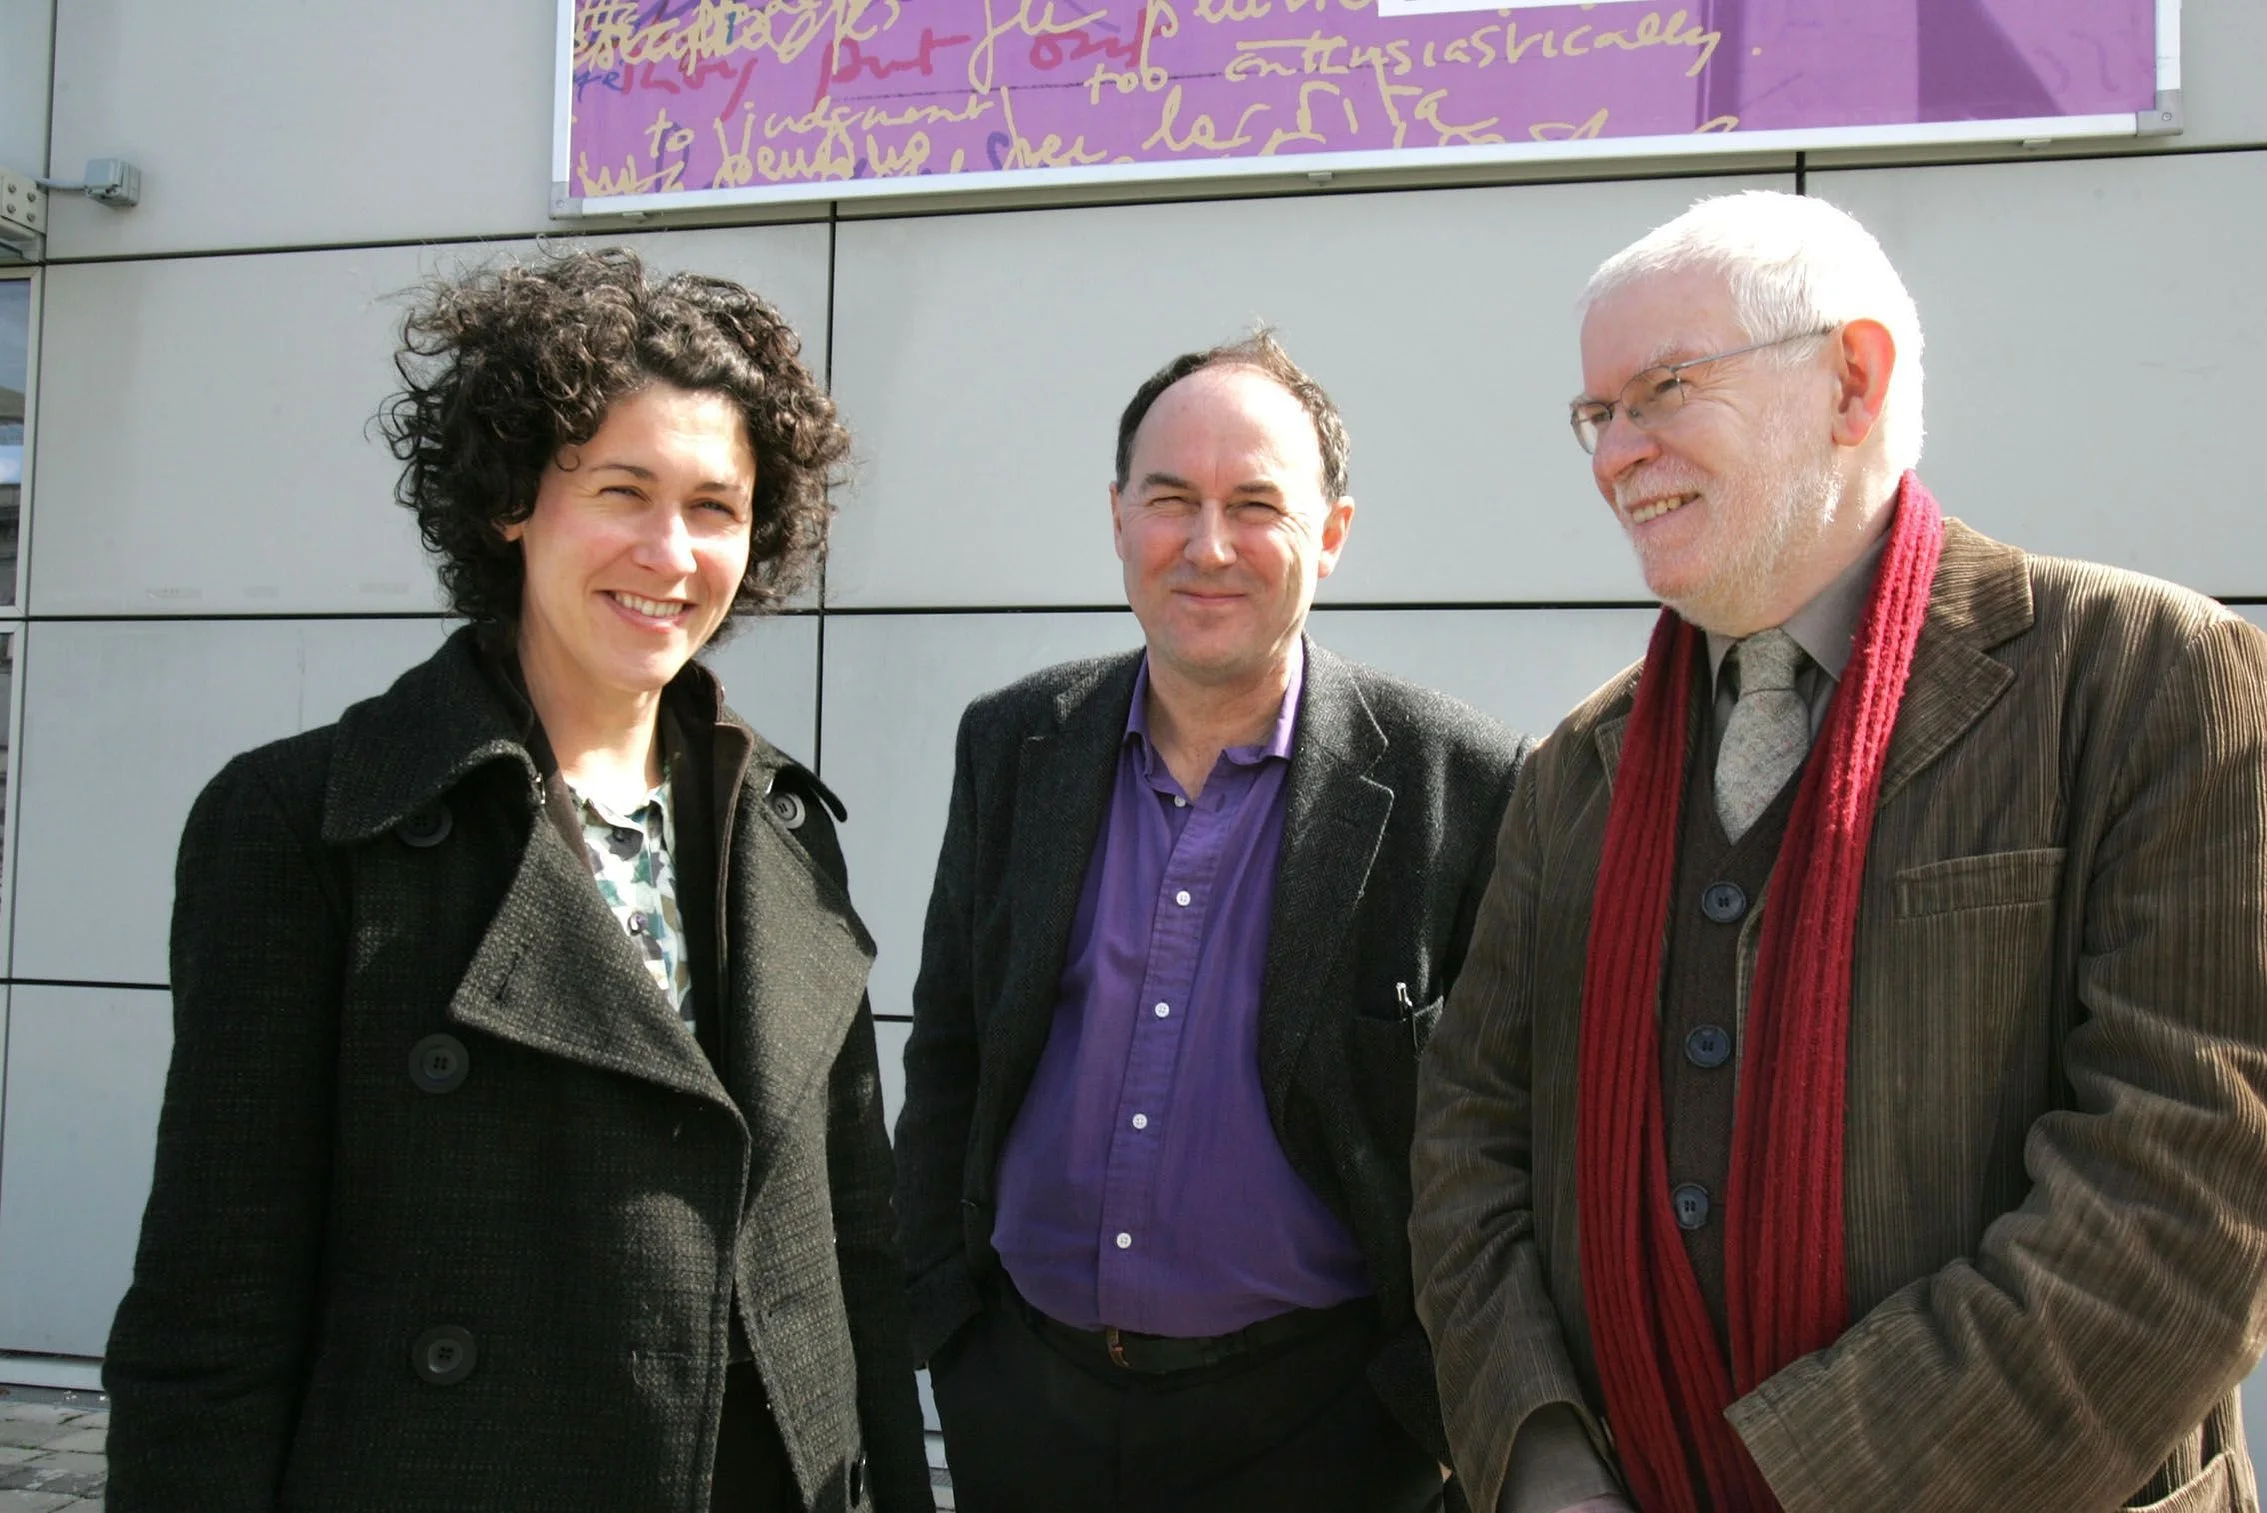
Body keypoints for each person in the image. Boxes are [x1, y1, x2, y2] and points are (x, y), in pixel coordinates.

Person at [1410, 188, 2267, 1513]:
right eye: (1596, 415)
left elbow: (2184, 1200)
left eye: (1661, 391)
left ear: (1850, 381)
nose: (1613, 453)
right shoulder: (1575, 767)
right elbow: (1467, 1145)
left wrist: (1812, 1481)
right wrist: (1546, 1465)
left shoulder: (2149, 682)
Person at [104, 248, 931, 1513]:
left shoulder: (784, 828)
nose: (670, 550)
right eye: (621, 488)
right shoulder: (307, 824)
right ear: (511, 502)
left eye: (715, 506)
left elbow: (850, 1264)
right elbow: (212, 1304)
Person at [893, 329, 1528, 1513]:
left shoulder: (1463, 782)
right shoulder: (1013, 744)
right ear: (1118, 516)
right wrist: (947, 1325)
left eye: (1255, 505)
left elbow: (1505, 1136)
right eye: (1170, 500)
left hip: (1322, 1434)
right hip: (1024, 1407)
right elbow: (951, 1052)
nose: (1207, 545)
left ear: (1331, 536)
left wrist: (1419, 1412)